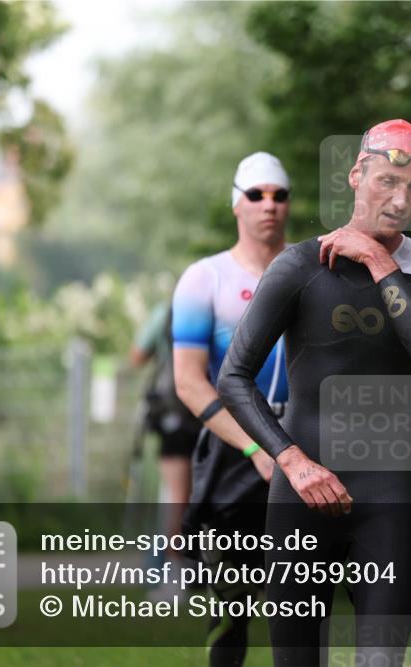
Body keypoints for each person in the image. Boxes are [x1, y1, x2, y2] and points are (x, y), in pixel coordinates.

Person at [217, 119, 411, 666]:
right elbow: (233, 377)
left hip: (388, 500)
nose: (400, 200)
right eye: (386, 182)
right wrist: (293, 461)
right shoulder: (301, 266)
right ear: (356, 175)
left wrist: (378, 260)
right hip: (300, 496)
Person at [171, 151, 291, 666]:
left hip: (305, 443)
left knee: (303, 598)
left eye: (279, 195)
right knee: (231, 610)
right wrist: (253, 446)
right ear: (236, 204)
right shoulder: (206, 279)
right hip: (234, 456)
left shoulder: (312, 269)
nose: (269, 205)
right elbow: (188, 382)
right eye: (256, 194)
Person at [129, 301, 202, 600]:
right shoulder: (219, 307)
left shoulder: (167, 312)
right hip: (218, 413)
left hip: (177, 415)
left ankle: (173, 577)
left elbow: (136, 357)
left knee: (176, 498)